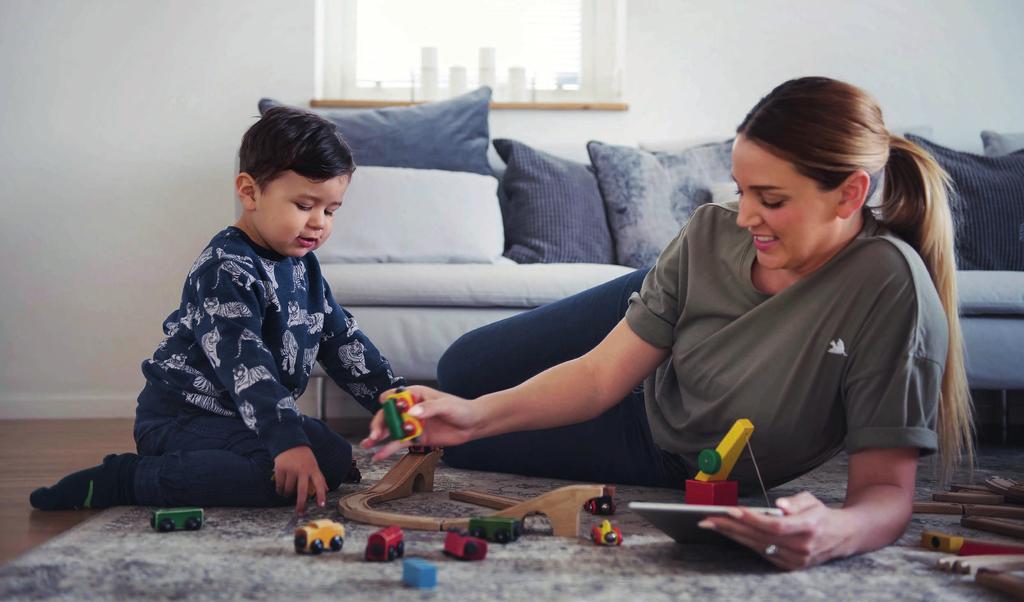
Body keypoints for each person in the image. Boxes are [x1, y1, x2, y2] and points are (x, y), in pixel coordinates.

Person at [361, 77, 974, 570]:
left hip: (665, 446)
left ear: (848, 196)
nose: (746, 217)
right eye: (743, 191)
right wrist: (475, 412)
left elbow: (886, 496)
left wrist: (835, 531)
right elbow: (603, 376)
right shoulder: (716, 230)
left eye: (772, 199)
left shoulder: (891, 289)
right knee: (462, 371)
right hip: (669, 325)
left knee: (468, 437)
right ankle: (662, 310)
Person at [31, 106, 403, 515]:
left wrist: (394, 401)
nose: (318, 223)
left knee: (330, 456)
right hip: (183, 417)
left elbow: (341, 340)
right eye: (303, 205)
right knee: (276, 474)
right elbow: (247, 363)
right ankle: (126, 478)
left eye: (330, 211)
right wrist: (286, 441)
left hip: (244, 416)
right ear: (250, 192)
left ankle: (269, 453)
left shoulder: (302, 265)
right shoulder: (225, 267)